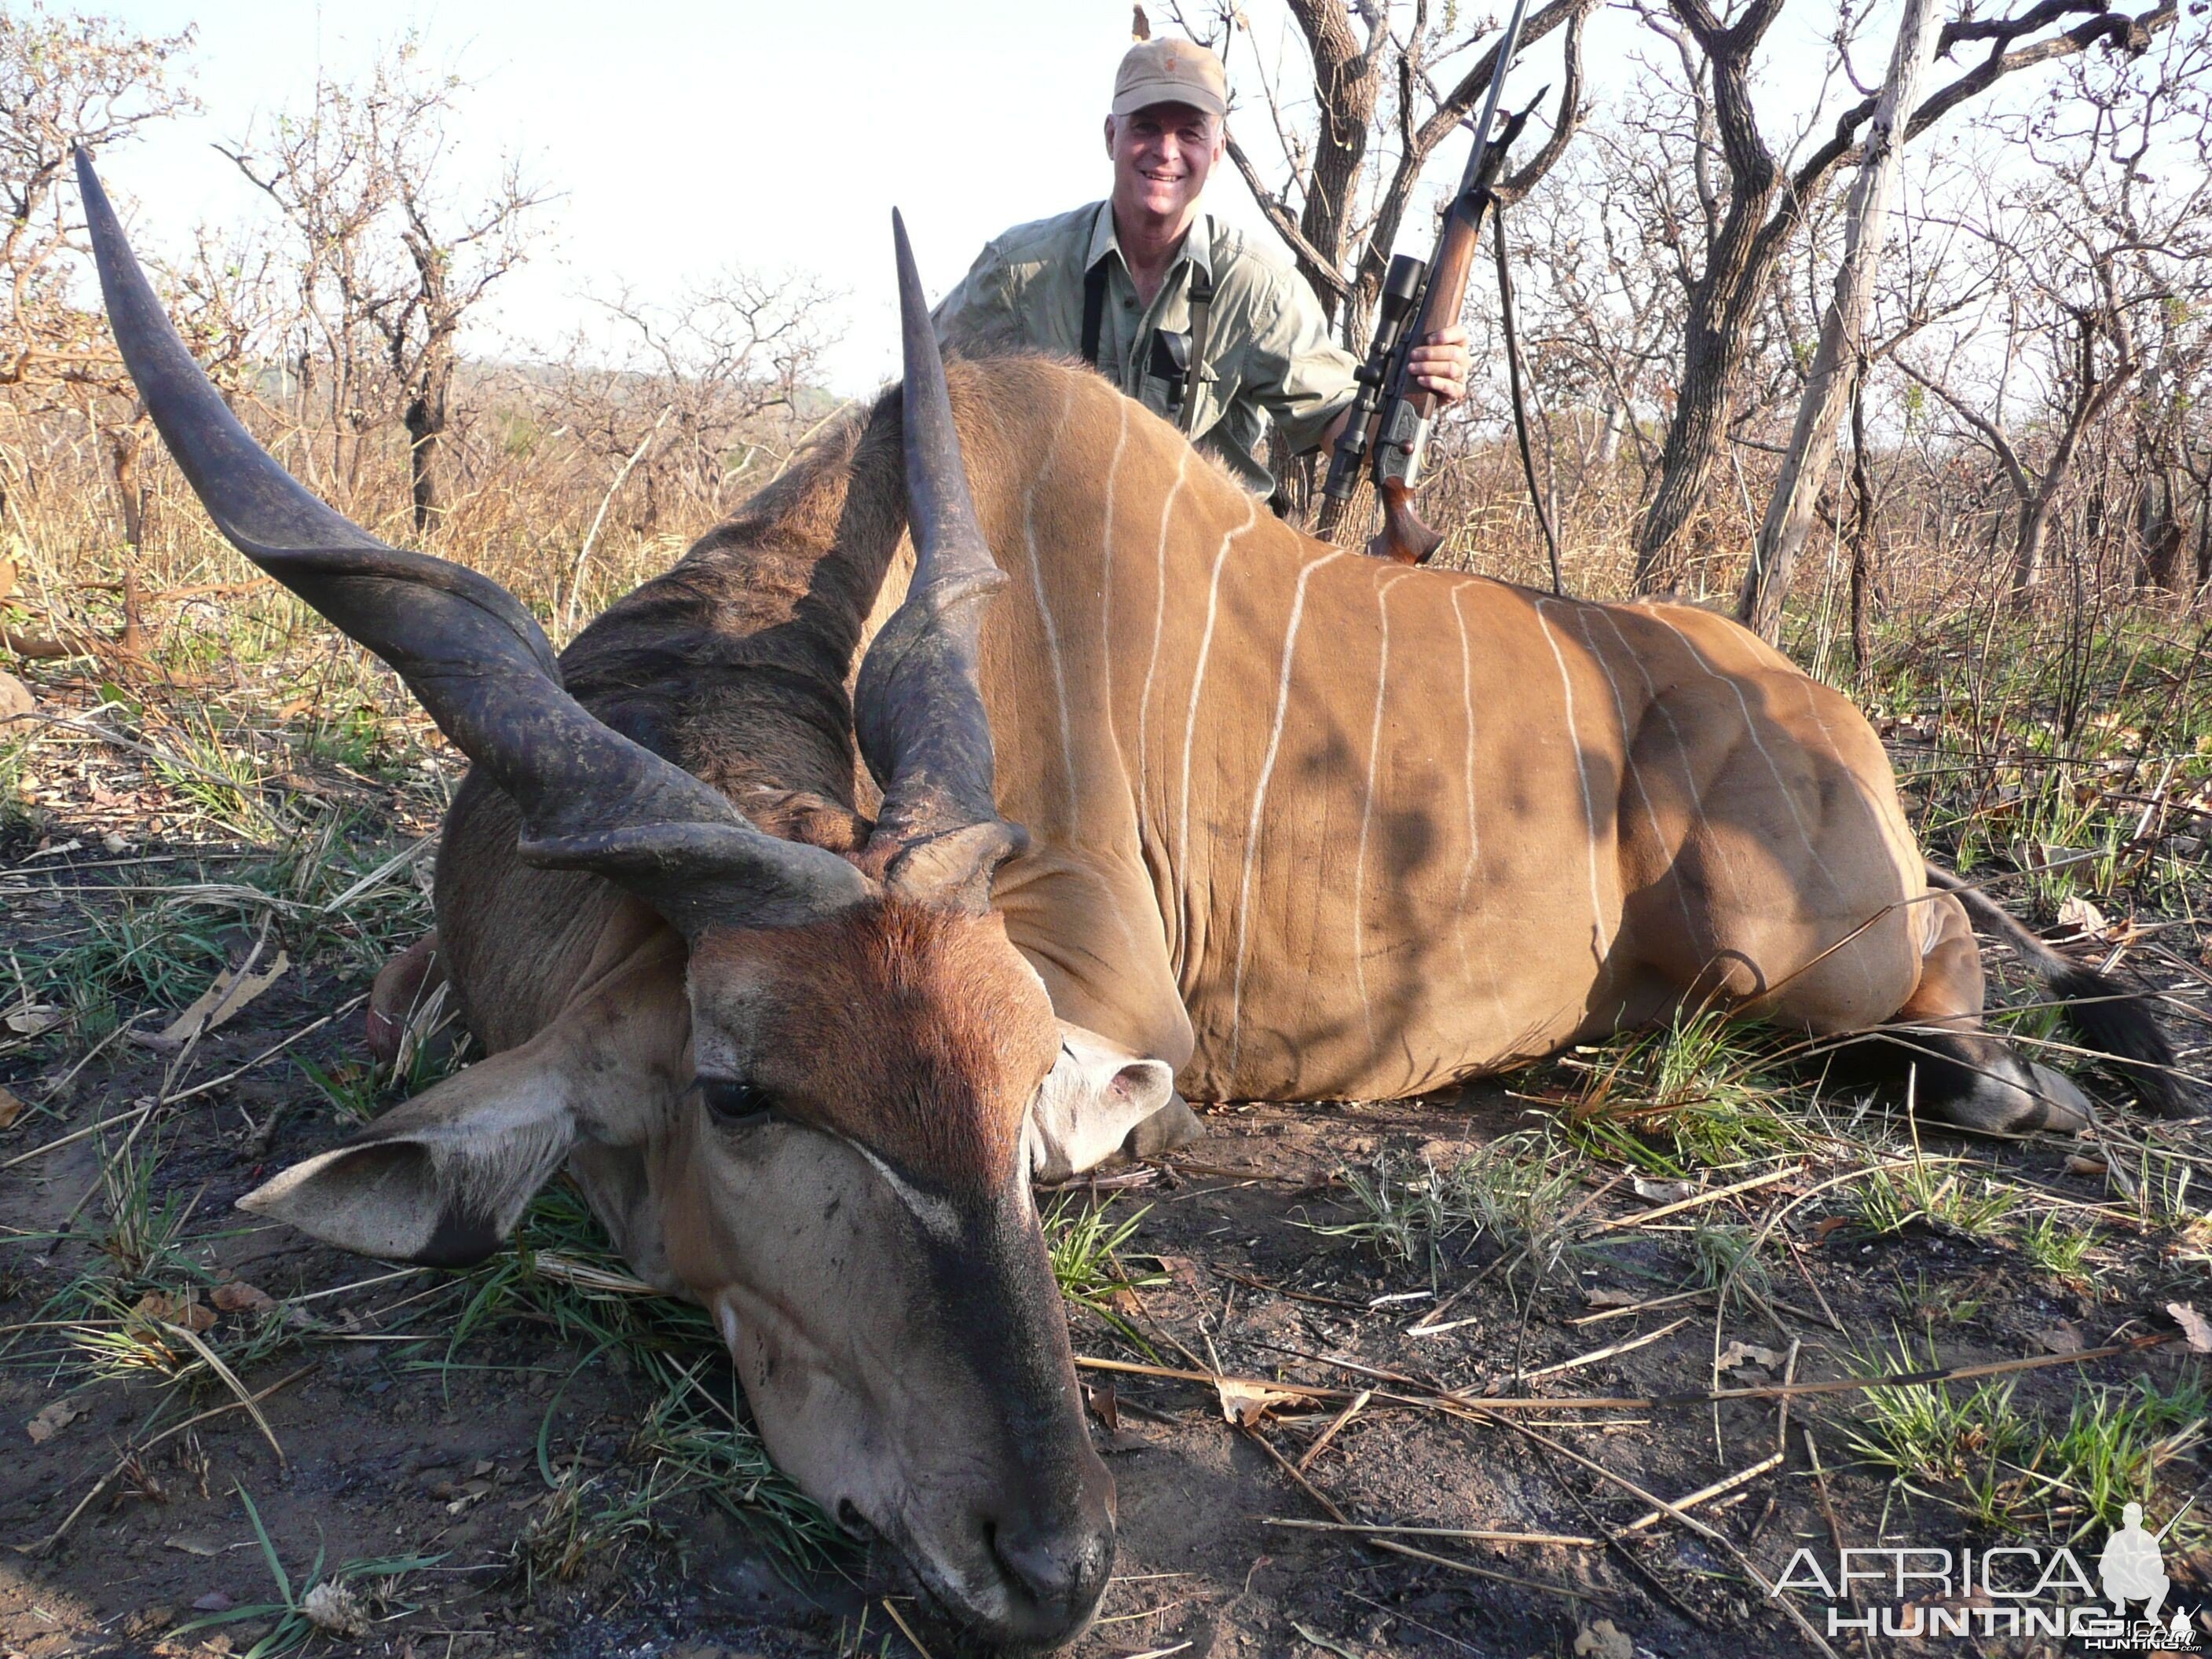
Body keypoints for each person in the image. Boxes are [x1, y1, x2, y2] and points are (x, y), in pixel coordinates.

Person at [933, 36, 1471, 499]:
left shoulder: (1259, 286)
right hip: (1062, 559)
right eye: (1146, 127)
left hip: (1214, 575)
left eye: (1189, 132)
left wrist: (1419, 391)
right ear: (1111, 137)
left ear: (1216, 152)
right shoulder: (1019, 270)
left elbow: (1341, 427)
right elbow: (924, 391)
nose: (1166, 152)